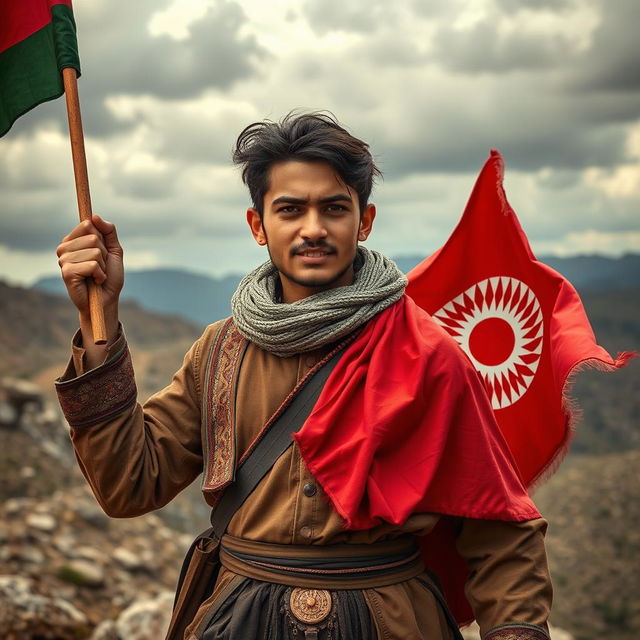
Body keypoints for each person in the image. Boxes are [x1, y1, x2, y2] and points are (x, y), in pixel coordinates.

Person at [54, 112, 553, 640]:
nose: (312, 229)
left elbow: (501, 532)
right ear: (258, 224)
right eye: (290, 209)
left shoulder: (428, 355)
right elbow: (130, 485)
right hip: (241, 616)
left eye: (334, 208)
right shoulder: (220, 351)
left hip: (391, 619)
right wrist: (99, 317)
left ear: (364, 221)